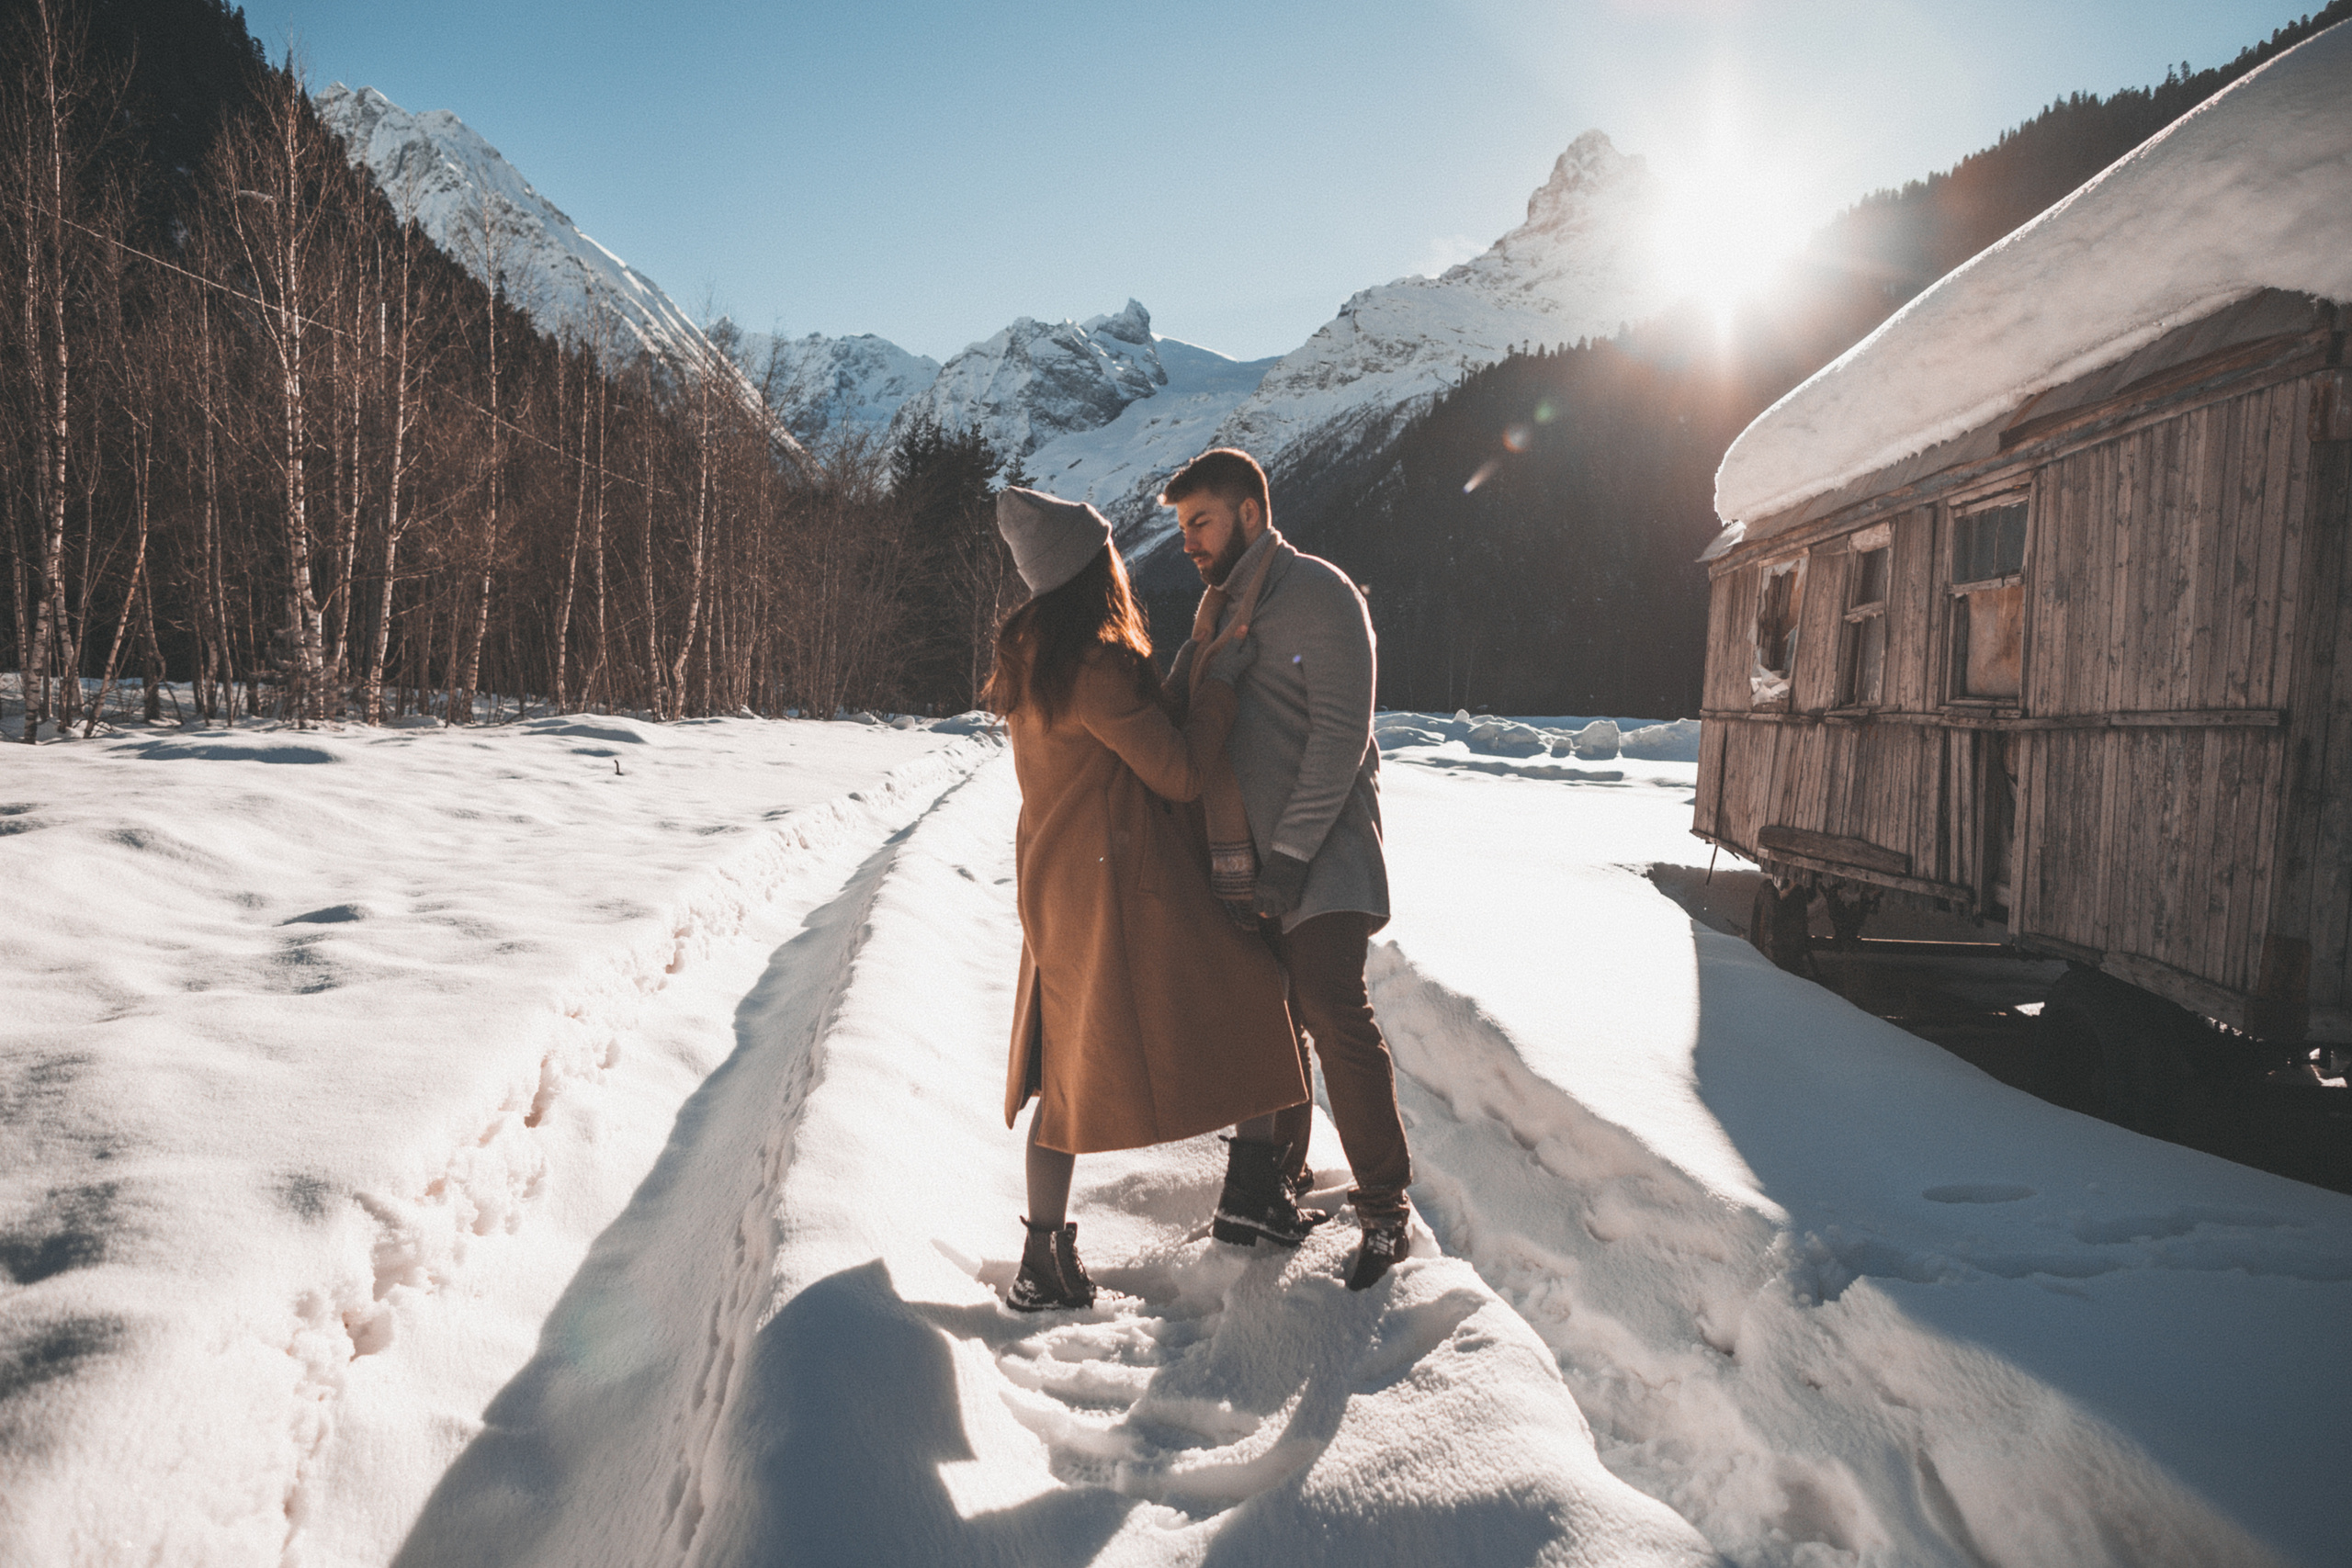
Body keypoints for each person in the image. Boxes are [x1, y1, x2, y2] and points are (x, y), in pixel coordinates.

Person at [989, 486, 1312, 1313]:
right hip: (1118, 887)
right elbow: (1177, 768)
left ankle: (1043, 1258)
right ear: (1093, 569)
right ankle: (1251, 1192)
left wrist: (1185, 667)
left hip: (1060, 883)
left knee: (1061, 1074)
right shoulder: (1095, 664)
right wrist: (1222, 686)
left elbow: (1134, 728)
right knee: (1255, 994)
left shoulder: (1036, 658)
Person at [1161, 448, 1415, 1292]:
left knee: (1333, 1013)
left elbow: (1341, 739)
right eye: (1182, 527)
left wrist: (1296, 856)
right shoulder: (1216, 613)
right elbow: (1182, 709)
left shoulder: (1321, 596)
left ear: (1250, 514)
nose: (1189, 542)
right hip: (1252, 860)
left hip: (1326, 855)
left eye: (1200, 522)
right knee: (1273, 1026)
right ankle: (1278, 1184)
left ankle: (1385, 1210)